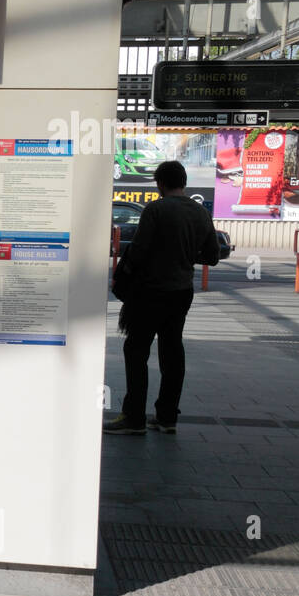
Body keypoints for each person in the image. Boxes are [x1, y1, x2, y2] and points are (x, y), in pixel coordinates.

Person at [105, 160, 219, 435]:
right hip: (181, 292)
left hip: (150, 292)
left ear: (160, 184)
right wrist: (186, 256)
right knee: (172, 351)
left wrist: (122, 276)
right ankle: (167, 417)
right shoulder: (200, 212)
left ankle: (134, 418)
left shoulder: (156, 209)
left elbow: (140, 251)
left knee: (136, 351)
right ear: (183, 182)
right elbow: (213, 256)